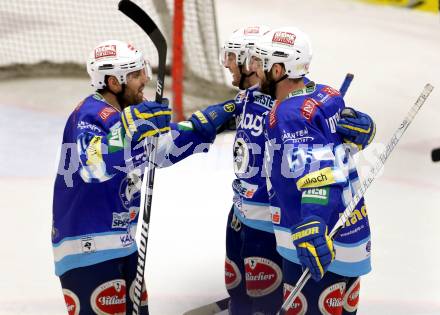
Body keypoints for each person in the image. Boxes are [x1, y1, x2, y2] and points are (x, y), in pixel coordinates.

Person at [52, 39, 236, 315]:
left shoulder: (126, 114)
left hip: (122, 244)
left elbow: (161, 150)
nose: (145, 80)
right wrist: (129, 128)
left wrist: (209, 122)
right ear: (114, 82)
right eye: (137, 74)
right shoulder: (89, 115)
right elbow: (93, 166)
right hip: (87, 250)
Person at [220, 28, 375, 314]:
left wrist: (313, 223)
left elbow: (320, 174)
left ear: (277, 69)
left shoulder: (287, 114)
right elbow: (342, 140)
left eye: (259, 63)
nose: (253, 69)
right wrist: (366, 126)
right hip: (351, 233)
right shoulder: (326, 94)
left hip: (318, 244)